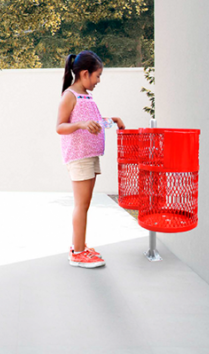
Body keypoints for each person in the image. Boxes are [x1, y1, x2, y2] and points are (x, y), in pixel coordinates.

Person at [56, 51, 125, 268]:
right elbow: (60, 126)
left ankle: (80, 246)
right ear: (85, 73)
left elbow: (92, 122)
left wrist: (111, 120)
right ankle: (77, 253)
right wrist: (80, 125)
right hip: (79, 157)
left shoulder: (86, 96)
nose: (99, 80)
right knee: (81, 205)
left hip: (90, 156)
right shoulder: (70, 95)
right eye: (97, 75)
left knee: (84, 205)